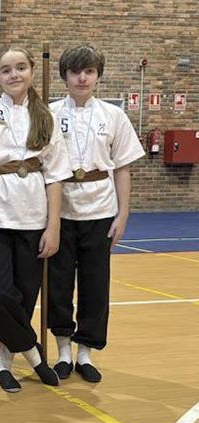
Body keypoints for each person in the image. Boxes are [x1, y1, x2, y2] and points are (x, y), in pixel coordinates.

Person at [0, 47, 70, 393]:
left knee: (25, 296)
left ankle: (4, 364)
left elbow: (55, 176)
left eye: (20, 68)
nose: (14, 75)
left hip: (33, 215)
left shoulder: (45, 117)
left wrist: (53, 225)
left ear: (31, 72)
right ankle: (35, 355)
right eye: (6, 70)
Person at [48, 44, 143, 383]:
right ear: (65, 76)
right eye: (75, 72)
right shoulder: (49, 112)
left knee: (94, 284)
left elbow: (123, 169)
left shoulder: (113, 116)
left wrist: (123, 214)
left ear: (98, 76)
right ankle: (61, 349)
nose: (82, 77)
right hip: (60, 209)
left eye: (89, 71)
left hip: (100, 208)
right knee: (58, 284)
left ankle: (85, 351)